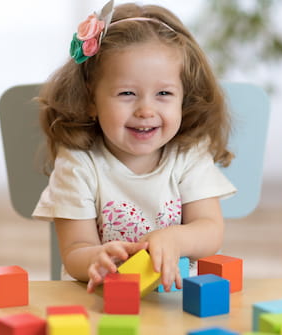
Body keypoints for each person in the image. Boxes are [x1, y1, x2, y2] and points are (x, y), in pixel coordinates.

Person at [32, 1, 236, 293]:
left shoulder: (188, 155)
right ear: (90, 101)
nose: (145, 110)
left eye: (164, 93)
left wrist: (176, 238)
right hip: (104, 300)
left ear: (184, 99)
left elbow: (210, 230)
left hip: (178, 299)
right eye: (127, 93)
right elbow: (75, 250)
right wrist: (96, 258)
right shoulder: (78, 164)